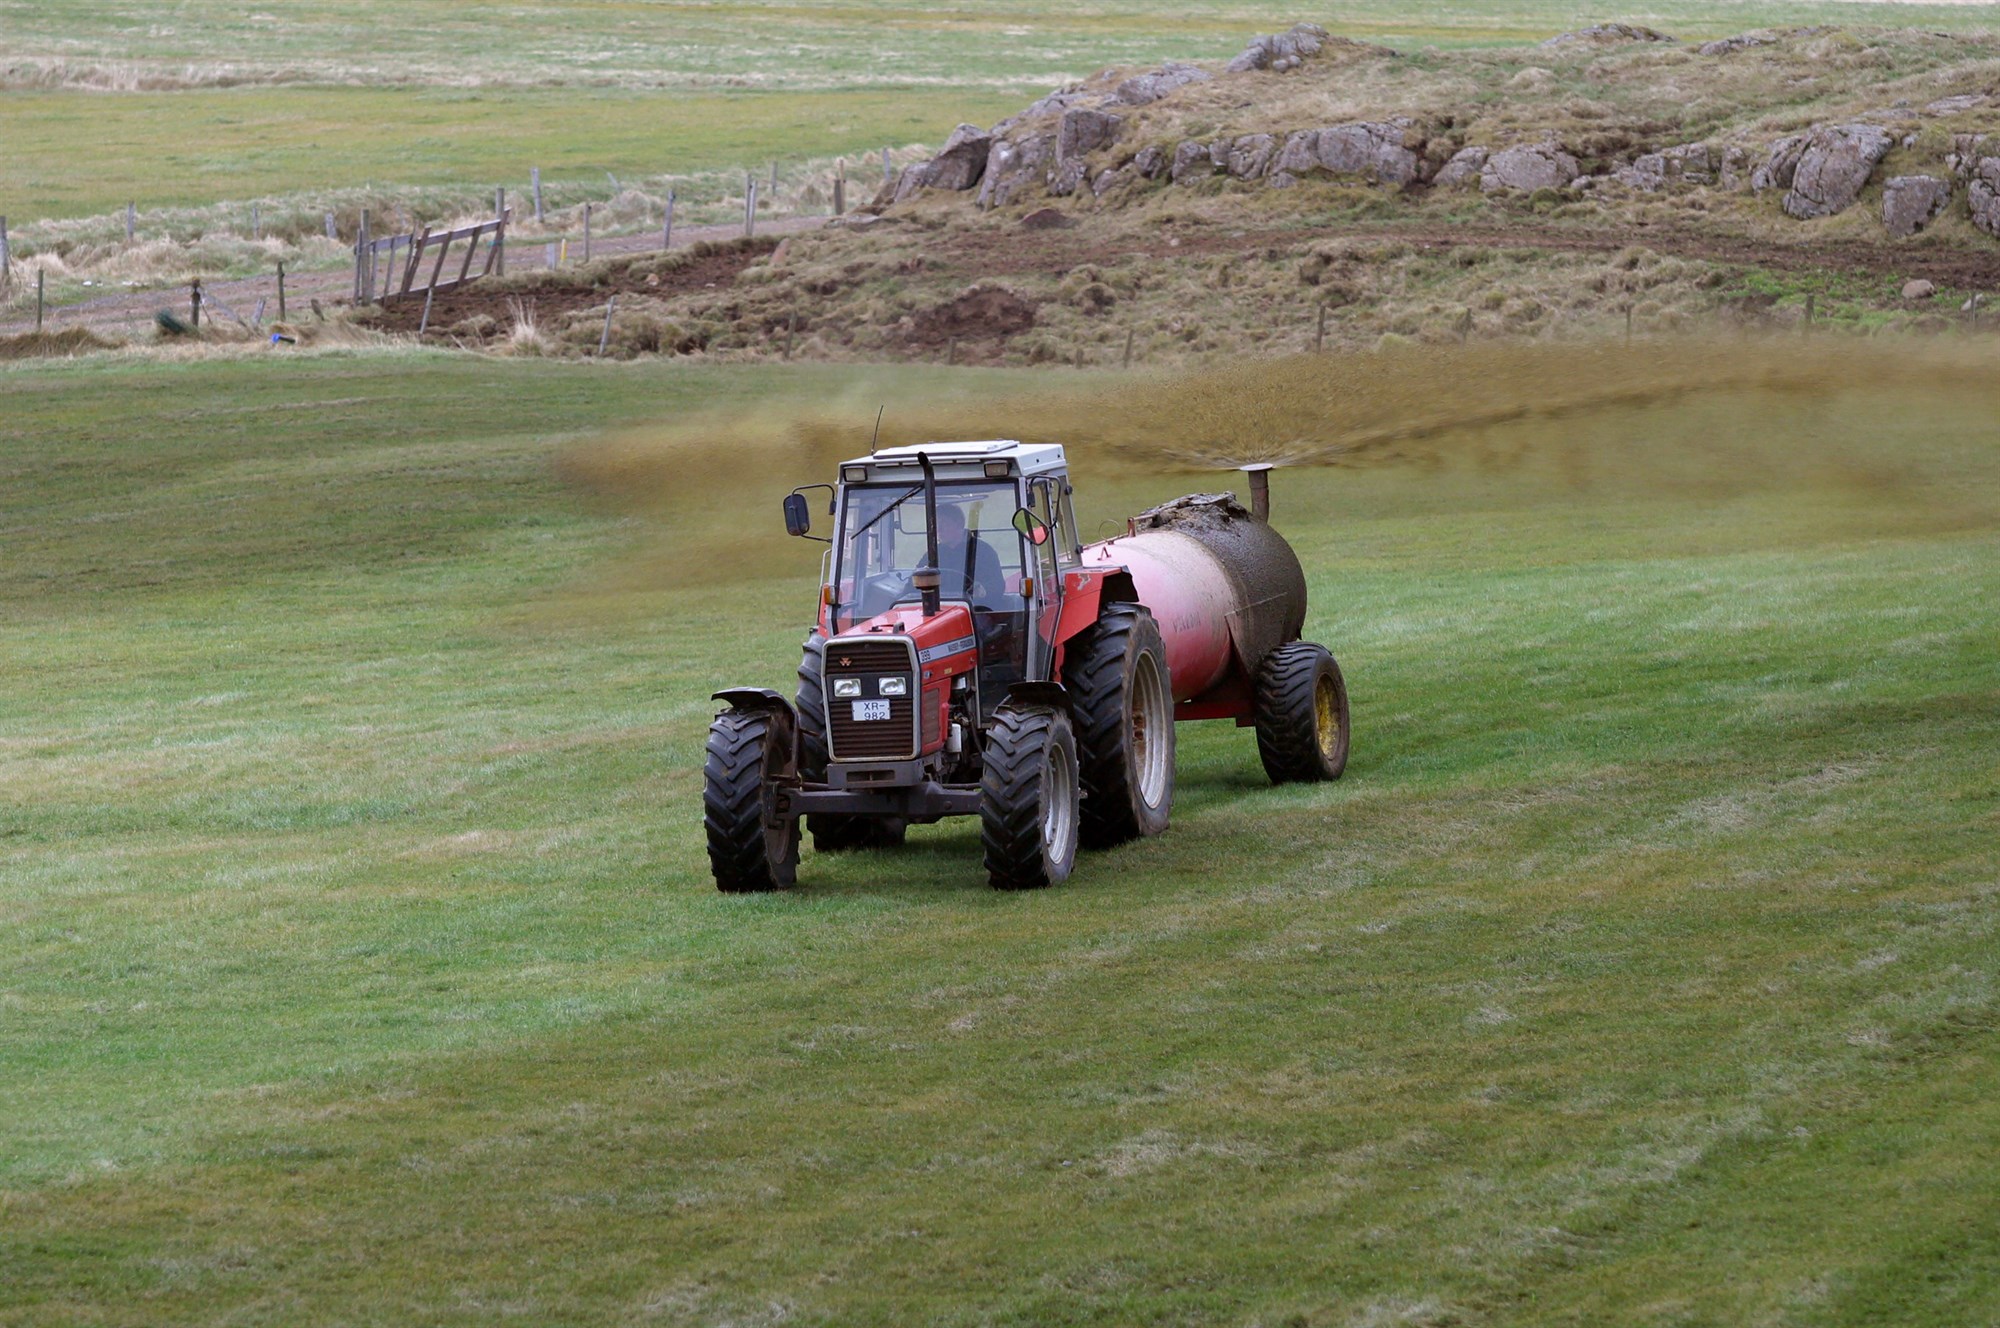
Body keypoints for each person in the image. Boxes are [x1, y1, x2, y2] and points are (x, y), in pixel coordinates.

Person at [934, 503, 1003, 606]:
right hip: (941, 608)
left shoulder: (983, 551)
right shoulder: (933, 554)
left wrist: (982, 590)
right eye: (936, 524)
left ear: (958, 524)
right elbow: (915, 582)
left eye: (944, 524)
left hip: (977, 610)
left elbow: (998, 585)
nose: (939, 529)